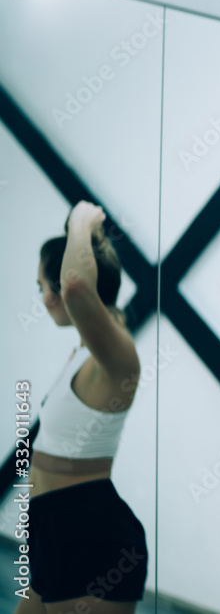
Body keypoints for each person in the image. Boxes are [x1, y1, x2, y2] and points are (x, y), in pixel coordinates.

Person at [15, 201, 148, 614]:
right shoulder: (85, 351)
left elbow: (76, 285)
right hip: (50, 526)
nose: (44, 298)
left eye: (46, 286)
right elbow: (80, 288)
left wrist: (81, 222)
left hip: (90, 536)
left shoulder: (118, 358)